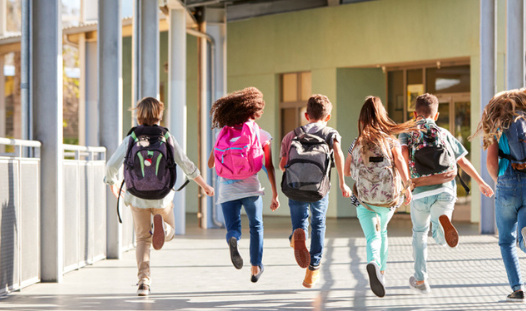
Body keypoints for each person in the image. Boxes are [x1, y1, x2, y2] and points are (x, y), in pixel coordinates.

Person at [105, 97, 214, 296]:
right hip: (162, 197)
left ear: (138, 114)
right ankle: (162, 227)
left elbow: (112, 164)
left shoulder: (132, 137)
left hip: (136, 196)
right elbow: (185, 163)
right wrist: (204, 185)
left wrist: (112, 183)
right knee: (169, 231)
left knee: (142, 239)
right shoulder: (166, 136)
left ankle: (143, 283)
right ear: (159, 115)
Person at [401, 93, 494, 294]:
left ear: (415, 113)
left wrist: (406, 184)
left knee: (419, 233)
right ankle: (442, 224)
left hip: (420, 191)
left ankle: (420, 279)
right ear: (436, 115)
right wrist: (481, 182)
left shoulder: (407, 133)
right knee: (439, 234)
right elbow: (463, 162)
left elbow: (402, 157)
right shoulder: (443, 133)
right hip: (445, 188)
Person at [471, 87, 526, 303]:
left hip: (507, 182)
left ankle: (517, 288)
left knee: (506, 241)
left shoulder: (498, 126)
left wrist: (500, 181)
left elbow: (491, 162)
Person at [208, 87, 280, 283]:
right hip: (251, 188)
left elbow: (210, 163)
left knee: (233, 227)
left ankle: (233, 239)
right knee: (256, 226)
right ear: (252, 111)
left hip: (227, 189)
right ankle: (255, 266)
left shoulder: (223, 133)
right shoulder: (261, 134)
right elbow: (269, 166)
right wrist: (275, 194)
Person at [345, 97, 414, 298]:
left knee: (372, 236)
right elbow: (400, 161)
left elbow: (347, 171)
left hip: (364, 200)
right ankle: (381, 273)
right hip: (387, 199)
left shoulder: (356, 143)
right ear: (382, 115)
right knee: (382, 232)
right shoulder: (391, 140)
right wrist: (407, 186)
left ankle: (373, 262)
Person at [280, 94, 351, 288]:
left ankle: (296, 237)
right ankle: (312, 270)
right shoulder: (330, 133)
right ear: (327, 117)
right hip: (320, 188)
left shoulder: (291, 135)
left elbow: (282, 165)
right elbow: (338, 154)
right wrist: (342, 183)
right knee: (318, 224)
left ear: (306, 115)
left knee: (300, 222)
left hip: (295, 187)